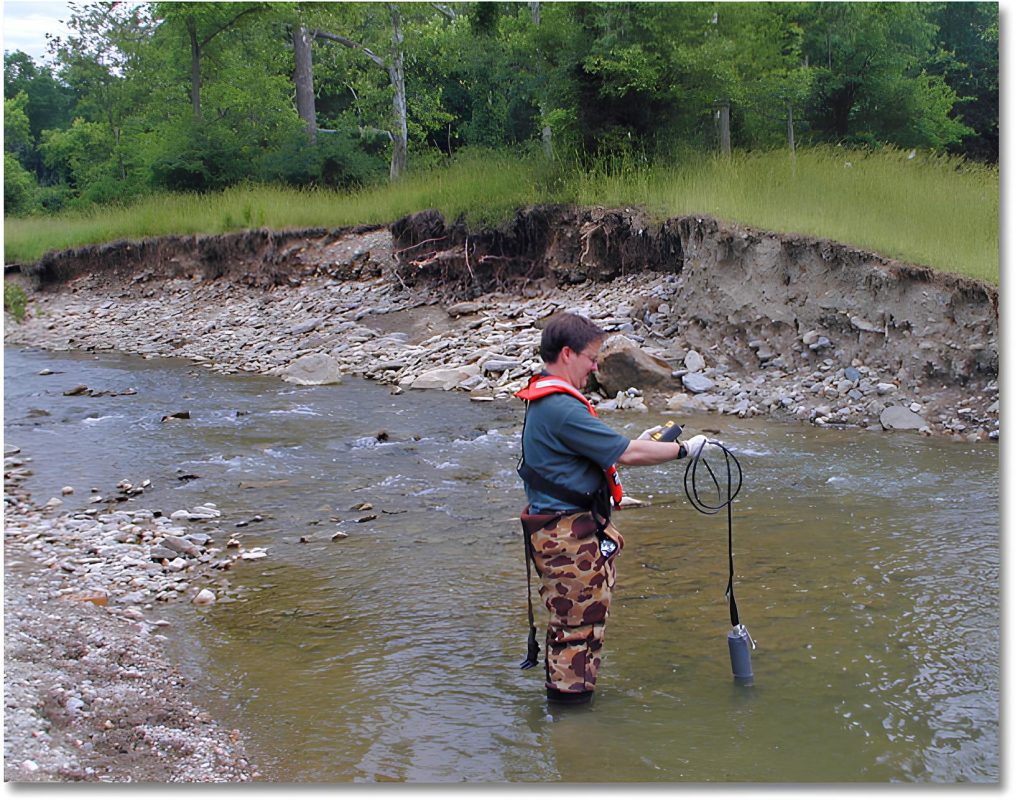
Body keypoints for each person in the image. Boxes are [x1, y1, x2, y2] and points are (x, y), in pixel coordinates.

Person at [515, 311, 718, 705]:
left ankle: (570, 715)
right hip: (567, 538)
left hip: (566, 531)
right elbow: (625, 453)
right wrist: (684, 450)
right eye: (592, 358)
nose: (595, 367)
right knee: (575, 631)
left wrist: (638, 443)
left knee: (578, 629)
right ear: (568, 354)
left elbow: (586, 455)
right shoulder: (560, 406)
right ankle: (570, 725)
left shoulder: (549, 398)